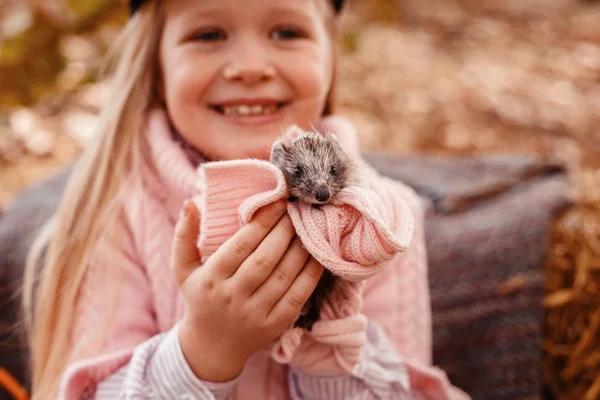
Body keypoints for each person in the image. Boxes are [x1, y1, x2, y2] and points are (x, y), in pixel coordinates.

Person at [22, 0, 470, 399]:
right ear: (155, 69)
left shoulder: (381, 223)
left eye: (286, 32)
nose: (251, 66)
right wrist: (205, 348)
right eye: (209, 34)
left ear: (330, 58)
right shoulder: (114, 215)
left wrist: (328, 348)